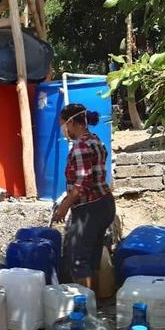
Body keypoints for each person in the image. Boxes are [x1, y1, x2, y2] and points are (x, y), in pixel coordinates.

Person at [52, 104, 115, 288]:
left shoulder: (80, 146)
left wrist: (64, 206)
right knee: (92, 256)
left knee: (79, 259)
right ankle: (93, 302)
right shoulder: (95, 140)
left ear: (72, 122)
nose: (63, 130)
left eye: (63, 125)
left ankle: (83, 308)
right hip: (105, 204)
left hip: (89, 209)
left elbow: (82, 184)